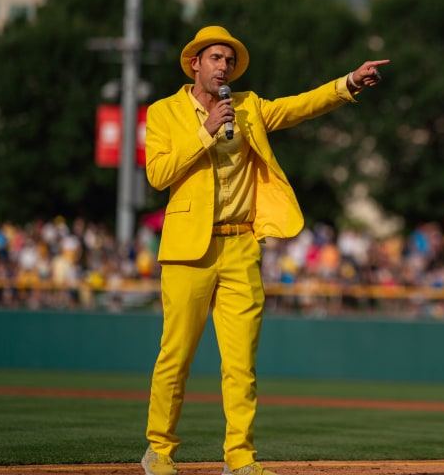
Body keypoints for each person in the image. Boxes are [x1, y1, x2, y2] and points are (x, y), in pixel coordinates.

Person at [140, 25, 389, 475]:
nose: (224, 66)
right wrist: (206, 132)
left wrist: (348, 83)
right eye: (216, 58)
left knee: (241, 364)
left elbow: (300, 106)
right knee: (175, 356)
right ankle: (159, 450)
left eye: (229, 60)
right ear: (194, 63)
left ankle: (240, 458)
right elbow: (157, 175)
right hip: (187, 252)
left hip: (241, 245)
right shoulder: (163, 112)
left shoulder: (249, 107)